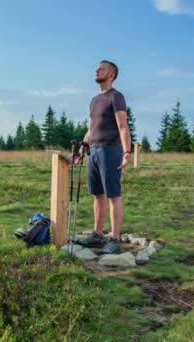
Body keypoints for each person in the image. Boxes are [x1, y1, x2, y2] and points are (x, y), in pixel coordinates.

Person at [75, 60, 132, 254]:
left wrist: (126, 152)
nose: (97, 70)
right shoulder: (94, 100)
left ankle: (115, 239)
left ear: (111, 75)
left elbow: (123, 126)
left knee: (113, 196)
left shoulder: (116, 97)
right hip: (94, 152)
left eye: (102, 68)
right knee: (97, 195)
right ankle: (97, 235)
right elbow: (90, 129)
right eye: (97, 67)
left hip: (111, 151)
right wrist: (83, 148)